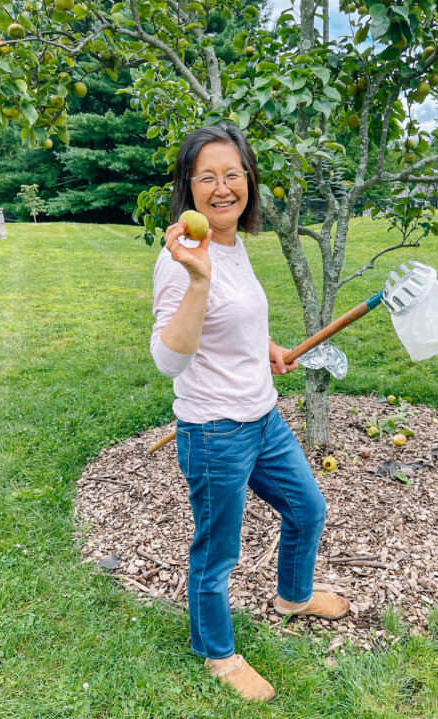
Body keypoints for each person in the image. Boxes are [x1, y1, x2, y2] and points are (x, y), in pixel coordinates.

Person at [150, 123, 349, 703]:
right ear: (188, 188)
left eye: (232, 174)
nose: (222, 187)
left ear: (248, 181)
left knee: (308, 509)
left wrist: (267, 349)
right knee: (217, 553)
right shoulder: (184, 260)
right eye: (207, 176)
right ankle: (218, 653)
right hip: (215, 431)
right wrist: (198, 280)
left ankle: (293, 595)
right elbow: (168, 358)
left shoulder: (235, 244)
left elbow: (237, 321)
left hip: (262, 418)